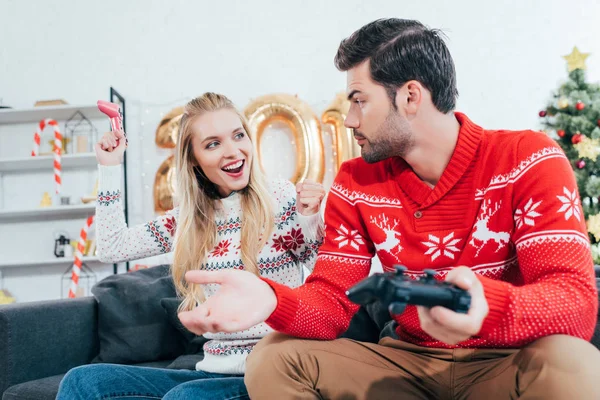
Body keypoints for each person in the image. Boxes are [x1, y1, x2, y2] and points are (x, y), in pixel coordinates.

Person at [176, 19, 600, 399]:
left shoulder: (528, 158)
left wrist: (484, 308)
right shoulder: (356, 181)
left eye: (359, 100)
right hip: (405, 366)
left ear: (411, 96)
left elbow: (575, 304)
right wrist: (271, 298)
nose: (348, 119)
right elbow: (330, 305)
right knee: (273, 358)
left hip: (505, 362)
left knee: (574, 362)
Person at [56, 92, 325, 400]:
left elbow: (321, 280)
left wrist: (310, 219)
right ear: (194, 160)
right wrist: (110, 167)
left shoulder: (279, 197)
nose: (233, 151)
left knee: (184, 398)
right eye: (213, 144)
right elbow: (112, 248)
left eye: (238, 136)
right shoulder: (189, 219)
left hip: (272, 370)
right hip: (214, 370)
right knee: (83, 382)